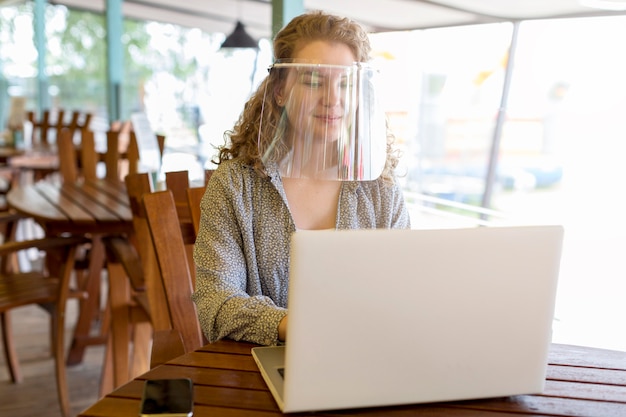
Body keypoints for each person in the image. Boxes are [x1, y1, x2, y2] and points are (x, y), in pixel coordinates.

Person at [192, 10, 411, 346]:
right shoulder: (235, 187)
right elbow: (215, 304)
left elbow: (404, 298)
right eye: (313, 80)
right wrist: (293, 327)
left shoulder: (381, 193)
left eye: (345, 83)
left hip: (363, 365)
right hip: (255, 375)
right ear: (280, 90)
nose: (333, 99)